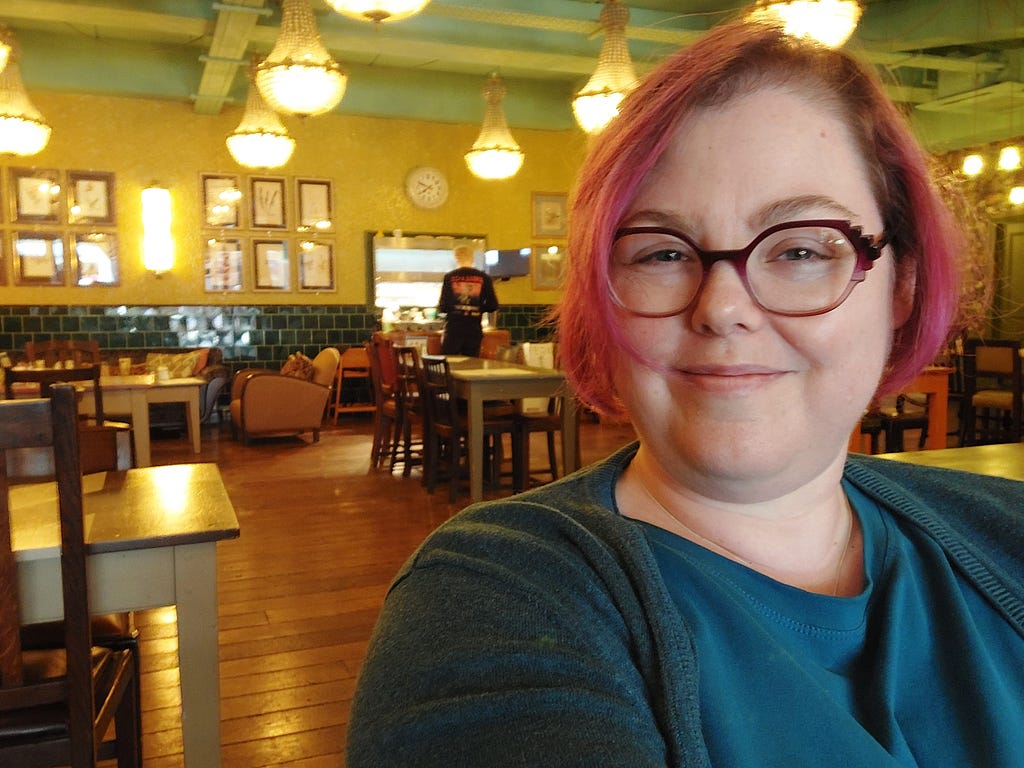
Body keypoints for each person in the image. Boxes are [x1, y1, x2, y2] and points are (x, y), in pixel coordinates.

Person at [349, 19, 1024, 767]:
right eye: (662, 252)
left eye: (801, 249)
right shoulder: (491, 599)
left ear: (901, 284)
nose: (722, 307)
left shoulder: (1005, 531)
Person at [438, 244, 499, 356]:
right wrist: (478, 308)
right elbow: (493, 305)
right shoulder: (484, 278)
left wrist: (455, 308)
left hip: (454, 329)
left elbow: (443, 306)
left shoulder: (449, 277)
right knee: (471, 365)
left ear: (456, 259)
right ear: (472, 258)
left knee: (450, 364)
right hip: (474, 329)